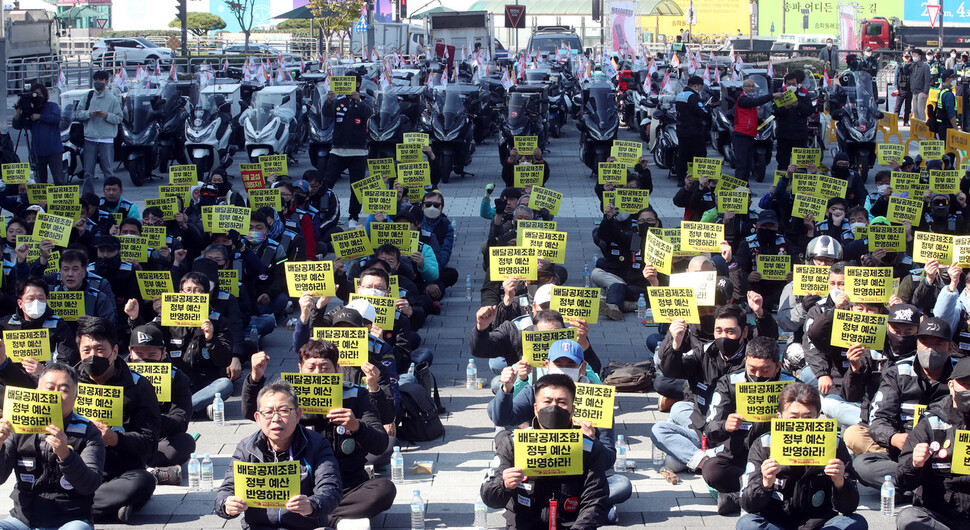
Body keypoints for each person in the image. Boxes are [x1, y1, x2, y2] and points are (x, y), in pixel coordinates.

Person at [243, 340, 395, 527]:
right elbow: (253, 412)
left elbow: (380, 444)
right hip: (299, 485)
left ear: (337, 369)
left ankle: (314, 516)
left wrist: (357, 426)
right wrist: (255, 378)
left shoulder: (355, 394)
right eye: (311, 368)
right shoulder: (287, 396)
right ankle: (319, 515)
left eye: (325, 368)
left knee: (384, 489)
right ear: (300, 369)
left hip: (346, 483)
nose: (318, 374)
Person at [651, 302, 779, 473]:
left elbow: (770, 339)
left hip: (738, 430)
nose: (723, 336)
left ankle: (691, 457)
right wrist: (676, 344)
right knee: (661, 428)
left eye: (730, 331)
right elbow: (671, 371)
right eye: (719, 331)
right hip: (704, 426)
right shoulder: (703, 352)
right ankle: (703, 460)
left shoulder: (752, 362)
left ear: (745, 332)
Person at [481, 374, 610, 529]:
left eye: (561, 402)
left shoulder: (588, 447)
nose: (553, 407)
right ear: (536, 409)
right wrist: (504, 484)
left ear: (573, 409)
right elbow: (488, 496)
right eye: (547, 402)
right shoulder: (513, 444)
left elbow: (595, 501)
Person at [215, 380, 343, 528]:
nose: (276, 419)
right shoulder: (246, 448)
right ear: (258, 418)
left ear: (298, 414)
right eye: (268, 412)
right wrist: (226, 504)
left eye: (284, 411)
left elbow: (331, 489)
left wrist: (311, 505)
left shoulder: (317, 444)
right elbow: (226, 489)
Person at [739, 382, 866, 530]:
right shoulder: (764, 444)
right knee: (747, 524)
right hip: (776, 521)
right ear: (780, 417)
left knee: (857, 521)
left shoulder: (834, 444)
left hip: (819, 522)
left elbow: (849, 507)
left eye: (807, 418)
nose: (800, 425)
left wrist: (840, 482)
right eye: (793, 418)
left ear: (818, 416)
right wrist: (765, 483)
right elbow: (747, 504)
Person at [850, 316, 954, 490]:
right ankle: (927, 487)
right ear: (917, 344)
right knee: (862, 466)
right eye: (926, 343)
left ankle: (914, 488)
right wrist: (894, 438)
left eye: (938, 345)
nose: (930, 350)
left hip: (946, 454)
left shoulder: (961, 376)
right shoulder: (897, 372)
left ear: (950, 348)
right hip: (904, 454)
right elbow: (879, 419)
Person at [0, 362, 105, 530]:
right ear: (37, 392)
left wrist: (66, 456)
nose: (55, 396)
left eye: (63, 390)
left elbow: (90, 484)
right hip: (23, 520)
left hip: (70, 520)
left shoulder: (88, 431)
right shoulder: (18, 427)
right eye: (50, 389)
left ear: (75, 397)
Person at [702, 336, 796, 515]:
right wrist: (725, 426)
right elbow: (710, 427)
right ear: (745, 362)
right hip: (738, 456)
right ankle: (756, 494)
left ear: (778, 366)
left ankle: (740, 499)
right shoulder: (729, 383)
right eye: (752, 369)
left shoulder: (792, 387)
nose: (758, 376)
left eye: (765, 370)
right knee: (712, 471)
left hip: (778, 459)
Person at [896, 356, 970, 529]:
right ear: (951, 386)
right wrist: (915, 463)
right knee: (908, 518)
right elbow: (904, 481)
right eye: (965, 383)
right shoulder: (930, 422)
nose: (969, 389)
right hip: (940, 515)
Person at [126, 324, 196, 485]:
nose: (145, 359)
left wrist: (150, 418)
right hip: (123, 439)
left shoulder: (177, 378)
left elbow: (180, 421)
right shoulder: (117, 375)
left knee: (185, 442)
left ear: (163, 353)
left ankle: (142, 470)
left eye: (152, 354)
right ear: (130, 352)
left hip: (157, 440)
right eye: (139, 354)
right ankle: (151, 472)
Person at [322, 73, 371, 227]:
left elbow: (368, 113)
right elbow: (327, 114)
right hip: (337, 151)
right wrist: (329, 101)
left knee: (356, 187)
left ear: (358, 84)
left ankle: (354, 217)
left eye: (353, 82)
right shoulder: (338, 101)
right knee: (327, 184)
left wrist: (358, 100)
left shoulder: (364, 101)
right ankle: (324, 211)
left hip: (358, 152)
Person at [74, 71, 123, 197]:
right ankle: (87, 198)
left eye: (102, 80)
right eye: (96, 80)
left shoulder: (112, 99)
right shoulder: (87, 96)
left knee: (108, 171)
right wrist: (89, 114)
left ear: (107, 81)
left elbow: (119, 118)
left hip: (106, 139)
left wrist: (106, 115)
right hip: (90, 138)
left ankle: (112, 196)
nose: (99, 83)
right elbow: (78, 114)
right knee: (88, 172)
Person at [11, 83, 65, 185]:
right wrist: (18, 110)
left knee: (59, 179)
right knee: (40, 182)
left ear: (45, 95)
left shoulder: (52, 106)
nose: (38, 96)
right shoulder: (29, 110)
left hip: (54, 150)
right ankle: (42, 201)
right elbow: (17, 125)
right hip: (37, 152)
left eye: (40, 94)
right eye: (35, 94)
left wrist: (40, 117)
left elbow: (56, 118)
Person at [732, 78, 784, 182]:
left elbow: (750, 116)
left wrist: (761, 120)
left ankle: (745, 189)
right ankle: (739, 190)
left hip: (749, 135)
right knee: (742, 165)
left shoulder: (749, 100)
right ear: (743, 88)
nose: (751, 88)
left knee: (747, 165)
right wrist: (772, 95)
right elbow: (755, 102)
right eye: (748, 86)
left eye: (752, 86)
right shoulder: (743, 99)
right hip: (741, 135)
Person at [774, 71, 814, 170]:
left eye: (793, 84)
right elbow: (774, 112)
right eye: (789, 84)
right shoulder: (780, 95)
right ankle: (782, 184)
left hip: (799, 134)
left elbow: (809, 111)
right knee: (783, 164)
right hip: (784, 134)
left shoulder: (803, 95)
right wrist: (784, 107)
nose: (791, 86)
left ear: (797, 84)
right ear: (785, 84)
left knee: (801, 166)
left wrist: (798, 105)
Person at [674, 75, 710, 187]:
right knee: (699, 155)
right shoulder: (693, 96)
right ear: (696, 86)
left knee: (683, 155)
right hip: (694, 131)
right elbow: (702, 111)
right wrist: (708, 109)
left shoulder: (680, 95)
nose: (700, 89)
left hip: (681, 130)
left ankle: (681, 179)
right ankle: (698, 178)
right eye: (700, 87)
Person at [935, 69, 958, 141]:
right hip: (947, 126)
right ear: (948, 79)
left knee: (945, 149)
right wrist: (956, 129)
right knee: (950, 151)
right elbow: (951, 114)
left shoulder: (941, 91)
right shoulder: (948, 94)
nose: (955, 80)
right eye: (953, 78)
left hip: (941, 125)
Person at [911, 49, 932, 121]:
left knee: (920, 109)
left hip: (922, 91)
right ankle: (916, 125)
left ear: (919, 56)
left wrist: (925, 92)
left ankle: (922, 125)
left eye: (915, 55)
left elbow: (927, 80)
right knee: (915, 109)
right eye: (912, 55)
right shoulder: (913, 66)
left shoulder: (925, 67)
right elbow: (906, 71)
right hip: (914, 91)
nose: (913, 57)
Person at [895, 52, 914, 126]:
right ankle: (894, 121)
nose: (907, 58)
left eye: (908, 57)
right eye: (905, 57)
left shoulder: (912, 66)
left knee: (908, 107)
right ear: (903, 57)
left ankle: (906, 121)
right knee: (898, 106)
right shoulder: (899, 66)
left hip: (910, 89)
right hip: (901, 89)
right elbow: (896, 77)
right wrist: (896, 88)